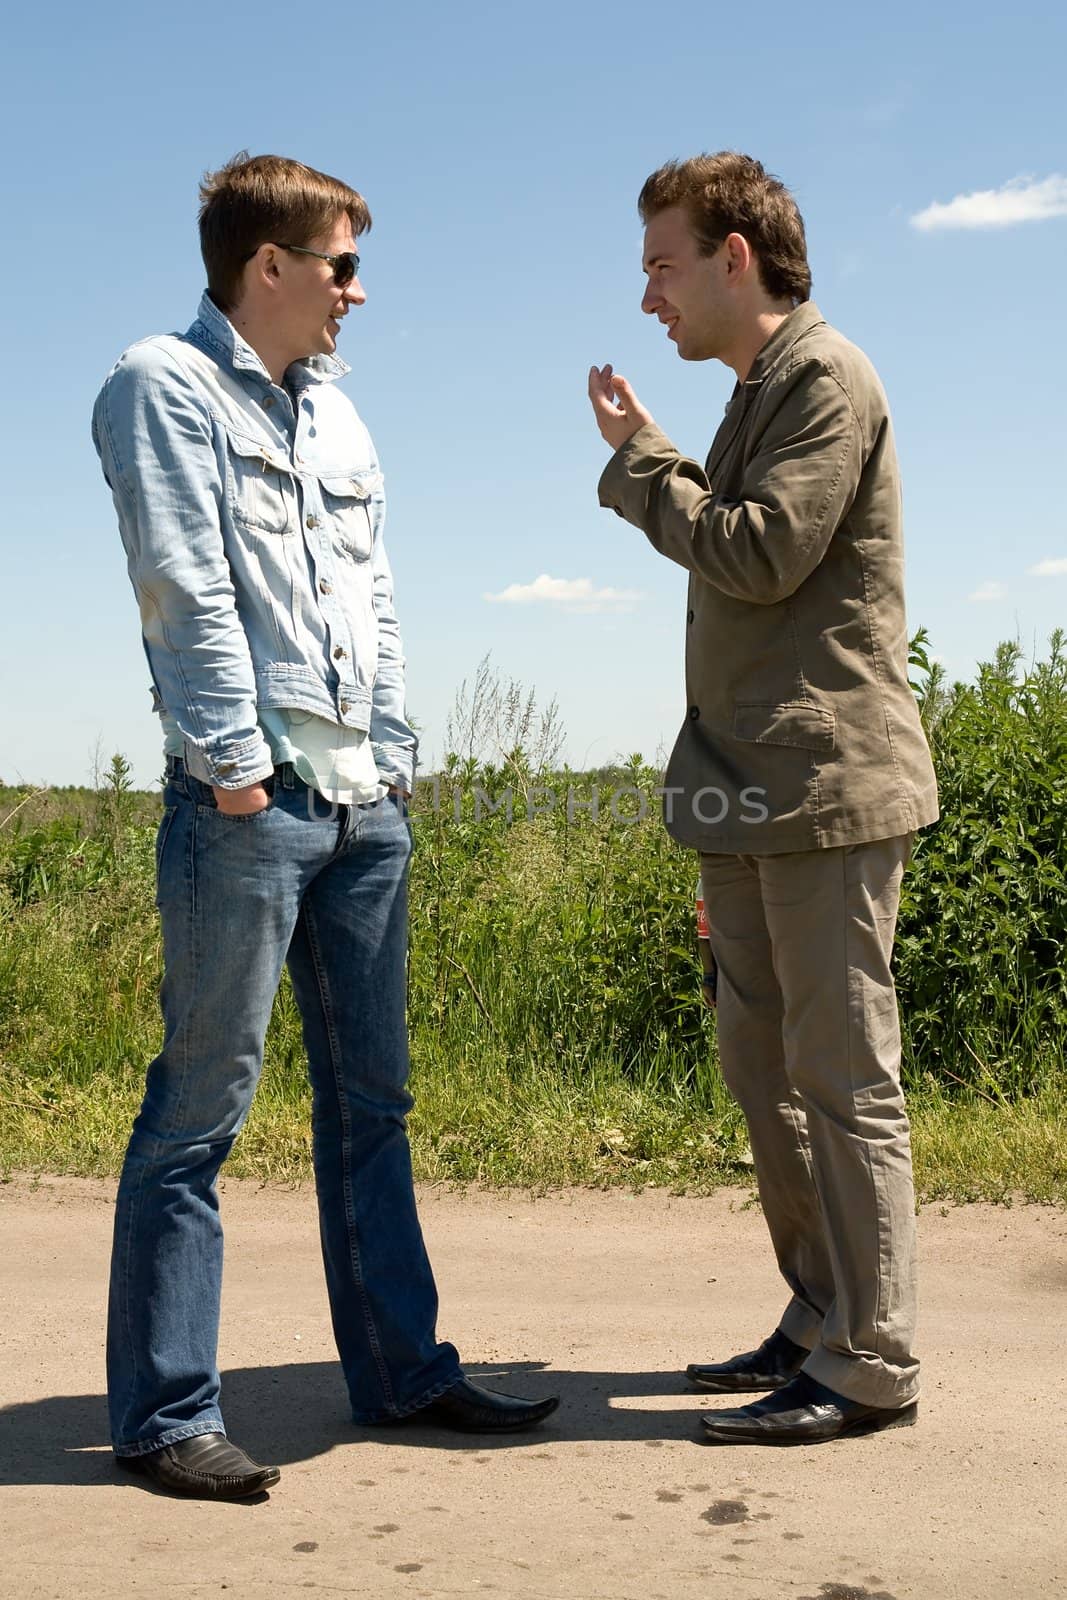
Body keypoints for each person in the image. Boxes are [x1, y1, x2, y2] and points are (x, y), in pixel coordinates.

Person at [92, 152, 558, 1501]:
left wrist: (397, 762)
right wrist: (237, 771)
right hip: (246, 810)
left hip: (364, 804)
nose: (360, 291)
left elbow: (378, 602)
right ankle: (168, 1416)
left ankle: (405, 1373)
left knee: (374, 1105)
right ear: (270, 266)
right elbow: (180, 578)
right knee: (200, 1114)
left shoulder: (340, 420)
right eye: (342, 264)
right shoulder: (162, 386)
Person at [588, 151, 938, 1446]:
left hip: (830, 790)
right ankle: (821, 1314)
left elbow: (760, 553)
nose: (648, 296)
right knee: (759, 1064)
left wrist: (641, 468)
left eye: (661, 264)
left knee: (841, 1076)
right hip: (749, 797)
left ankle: (872, 1361)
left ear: (737, 255)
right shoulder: (755, 388)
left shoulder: (825, 378)